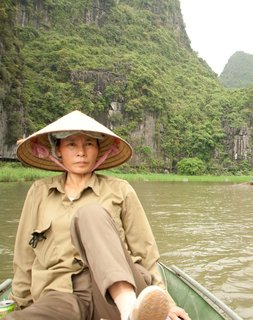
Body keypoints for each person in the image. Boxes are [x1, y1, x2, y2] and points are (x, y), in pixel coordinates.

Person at [7, 110, 190, 320]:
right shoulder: (39, 192)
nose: (81, 152)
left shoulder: (120, 190)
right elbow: (24, 258)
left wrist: (166, 303)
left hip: (117, 293)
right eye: (71, 144)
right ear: (58, 150)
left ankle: (130, 310)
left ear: (98, 150)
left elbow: (147, 252)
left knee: (90, 214)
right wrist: (19, 304)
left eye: (89, 144)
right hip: (60, 295)